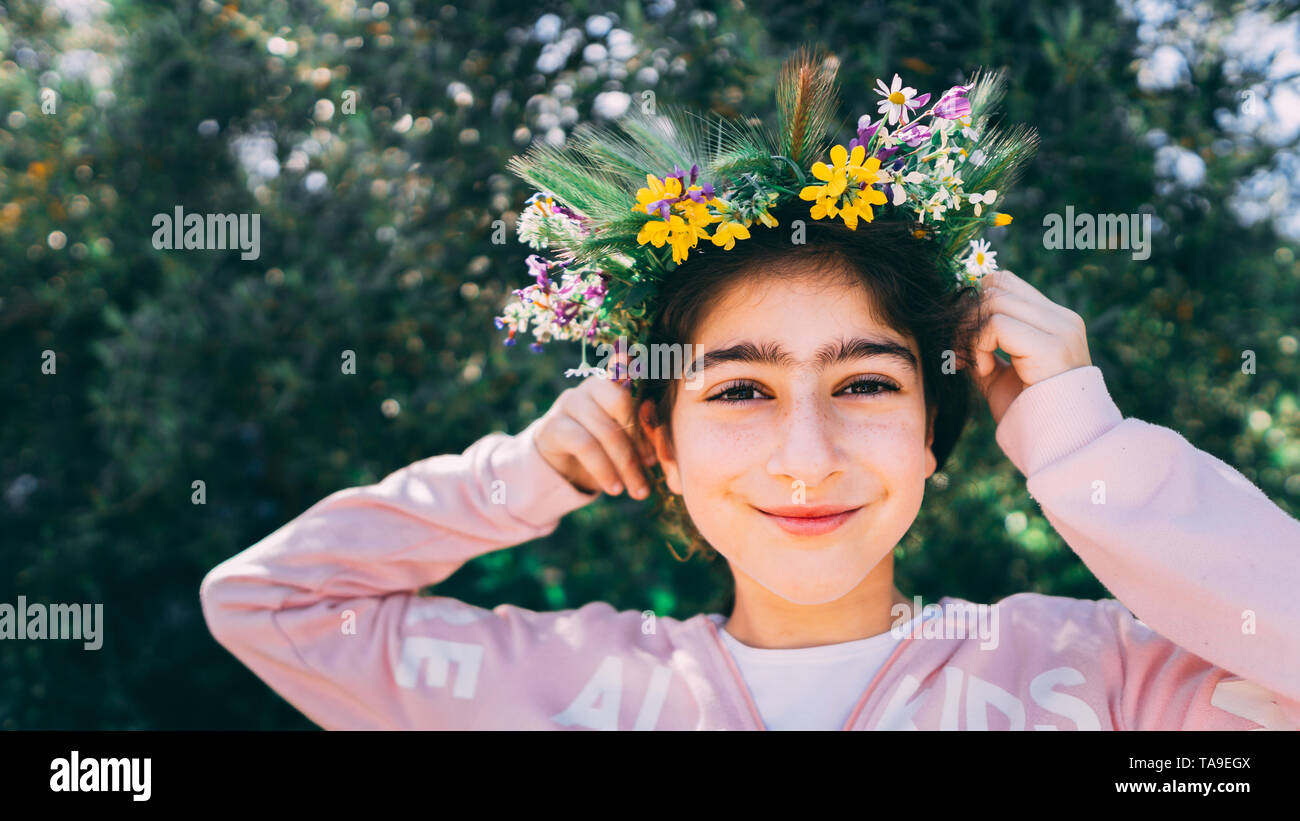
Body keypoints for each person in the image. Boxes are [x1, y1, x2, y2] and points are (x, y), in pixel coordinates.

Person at [200, 53, 1300, 730]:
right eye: (736, 392)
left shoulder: (1104, 679)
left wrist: (1083, 441)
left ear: (933, 430)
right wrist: (518, 478)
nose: (807, 454)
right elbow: (266, 605)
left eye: (866, 380)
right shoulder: (537, 686)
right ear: (656, 439)